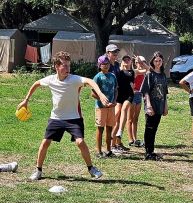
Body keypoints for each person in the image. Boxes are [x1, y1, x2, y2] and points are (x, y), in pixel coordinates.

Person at [16, 51, 110, 181]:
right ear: (56, 66)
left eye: (68, 65)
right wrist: (26, 100)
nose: (67, 68)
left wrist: (100, 93)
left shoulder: (74, 79)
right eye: (64, 65)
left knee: (80, 142)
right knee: (45, 142)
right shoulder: (51, 80)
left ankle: (91, 168)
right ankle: (38, 170)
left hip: (73, 118)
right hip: (56, 118)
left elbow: (89, 81)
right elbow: (36, 83)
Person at [141, 51, 168, 160]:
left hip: (160, 105)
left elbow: (165, 92)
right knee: (149, 128)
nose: (158, 63)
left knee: (154, 128)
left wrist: (165, 106)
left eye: (160, 61)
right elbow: (145, 91)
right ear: (152, 62)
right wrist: (148, 105)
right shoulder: (150, 74)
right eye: (156, 61)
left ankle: (151, 151)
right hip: (151, 105)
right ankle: (148, 153)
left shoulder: (163, 75)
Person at [93, 54, 117, 158]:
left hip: (111, 107)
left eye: (107, 63)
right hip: (101, 107)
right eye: (103, 64)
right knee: (100, 129)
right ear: (99, 65)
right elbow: (93, 93)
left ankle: (108, 150)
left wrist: (114, 101)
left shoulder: (113, 76)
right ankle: (98, 151)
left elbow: (116, 90)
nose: (106, 66)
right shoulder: (97, 77)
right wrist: (102, 100)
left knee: (109, 128)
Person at [112, 55, 134, 153]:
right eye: (124, 59)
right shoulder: (118, 71)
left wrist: (140, 61)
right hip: (119, 95)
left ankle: (120, 132)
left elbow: (147, 69)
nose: (126, 61)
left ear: (131, 62)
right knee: (116, 116)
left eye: (128, 59)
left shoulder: (132, 71)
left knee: (124, 109)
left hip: (129, 95)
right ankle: (115, 143)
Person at [128, 55, 149, 147]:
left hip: (139, 95)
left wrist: (142, 62)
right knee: (130, 118)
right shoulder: (135, 71)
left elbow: (149, 70)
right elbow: (134, 70)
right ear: (135, 63)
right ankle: (130, 139)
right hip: (132, 95)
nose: (140, 64)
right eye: (138, 62)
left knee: (135, 119)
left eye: (142, 62)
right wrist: (136, 60)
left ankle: (135, 138)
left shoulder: (145, 72)